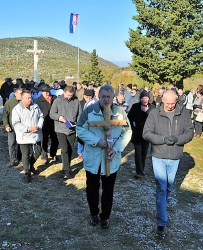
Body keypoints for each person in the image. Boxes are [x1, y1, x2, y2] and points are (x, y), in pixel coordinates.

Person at [76, 84, 132, 229]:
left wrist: (117, 148)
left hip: (110, 158)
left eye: (109, 97)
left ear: (113, 98)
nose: (106, 100)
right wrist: (97, 141)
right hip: (93, 159)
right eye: (103, 97)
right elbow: (80, 129)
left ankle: (105, 217)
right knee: (92, 189)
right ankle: (94, 214)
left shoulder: (120, 112)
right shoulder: (90, 111)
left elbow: (127, 132)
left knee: (108, 191)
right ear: (98, 97)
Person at [143, 90, 194, 238]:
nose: (170, 106)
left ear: (177, 100)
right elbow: (146, 133)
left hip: (175, 157)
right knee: (161, 188)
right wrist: (163, 139)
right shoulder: (154, 113)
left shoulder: (183, 113)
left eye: (173, 103)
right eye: (168, 103)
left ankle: (161, 209)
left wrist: (177, 139)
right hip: (158, 155)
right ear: (162, 100)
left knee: (168, 188)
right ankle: (161, 223)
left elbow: (189, 132)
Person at [50, 85, 82, 179]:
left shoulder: (76, 101)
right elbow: (51, 113)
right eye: (68, 95)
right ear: (64, 92)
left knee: (70, 149)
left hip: (72, 129)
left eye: (71, 95)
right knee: (64, 149)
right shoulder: (57, 100)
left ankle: (65, 166)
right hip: (60, 129)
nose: (69, 97)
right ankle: (67, 171)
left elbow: (80, 114)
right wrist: (59, 118)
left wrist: (78, 123)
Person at [12, 90, 44, 183]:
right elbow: (16, 124)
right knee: (25, 155)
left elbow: (41, 116)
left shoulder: (35, 106)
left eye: (31, 97)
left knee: (38, 151)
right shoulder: (17, 109)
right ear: (22, 99)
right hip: (24, 136)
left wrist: (38, 126)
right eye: (28, 98)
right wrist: (28, 129)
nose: (30, 99)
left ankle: (30, 165)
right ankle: (27, 172)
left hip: (35, 134)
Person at [127, 90, 155, 178]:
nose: (144, 100)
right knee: (138, 153)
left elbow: (154, 120)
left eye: (146, 98)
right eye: (143, 98)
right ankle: (139, 171)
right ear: (140, 99)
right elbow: (129, 118)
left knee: (144, 153)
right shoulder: (135, 106)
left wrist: (146, 112)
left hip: (147, 135)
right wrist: (133, 127)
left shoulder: (152, 108)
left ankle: (142, 169)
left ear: (149, 99)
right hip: (137, 134)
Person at [34, 84, 59, 162]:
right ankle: (44, 156)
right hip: (43, 123)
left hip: (54, 122)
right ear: (41, 92)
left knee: (55, 139)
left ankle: (53, 153)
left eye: (48, 91)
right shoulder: (37, 101)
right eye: (45, 92)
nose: (47, 93)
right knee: (44, 140)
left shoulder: (55, 98)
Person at [3, 87, 23, 167]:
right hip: (12, 127)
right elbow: (5, 115)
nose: (21, 95)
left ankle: (20, 158)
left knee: (21, 144)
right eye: (20, 94)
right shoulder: (9, 103)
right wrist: (6, 125)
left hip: (21, 127)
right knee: (11, 143)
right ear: (15, 93)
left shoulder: (23, 102)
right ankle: (12, 159)